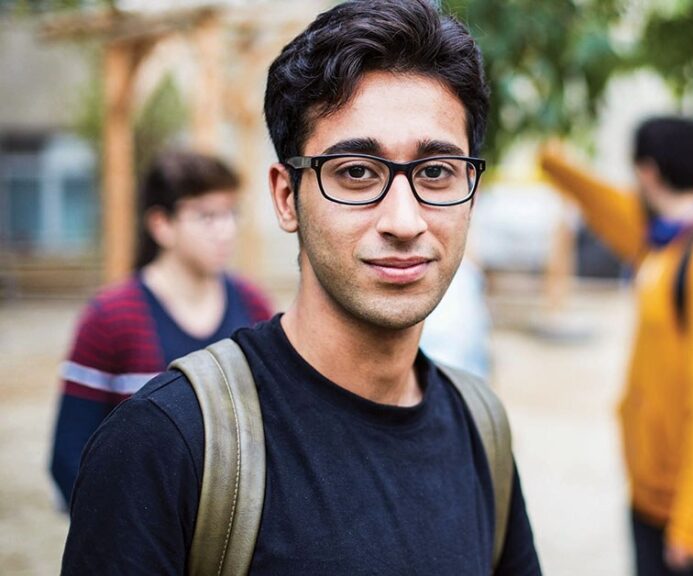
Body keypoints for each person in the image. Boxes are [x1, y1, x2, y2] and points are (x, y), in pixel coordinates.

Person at [60, 1, 541, 574]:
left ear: (471, 192)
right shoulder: (168, 444)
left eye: (436, 172)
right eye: (357, 173)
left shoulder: (481, 428)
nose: (405, 220)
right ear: (287, 197)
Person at [539, 118, 693, 576]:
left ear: (647, 172)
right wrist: (554, 164)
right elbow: (607, 207)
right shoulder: (668, 242)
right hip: (656, 500)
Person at [49, 149, 273, 508]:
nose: (226, 229)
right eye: (207, 216)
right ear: (161, 225)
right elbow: (69, 457)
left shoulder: (253, 304)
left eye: (231, 213)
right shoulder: (110, 318)